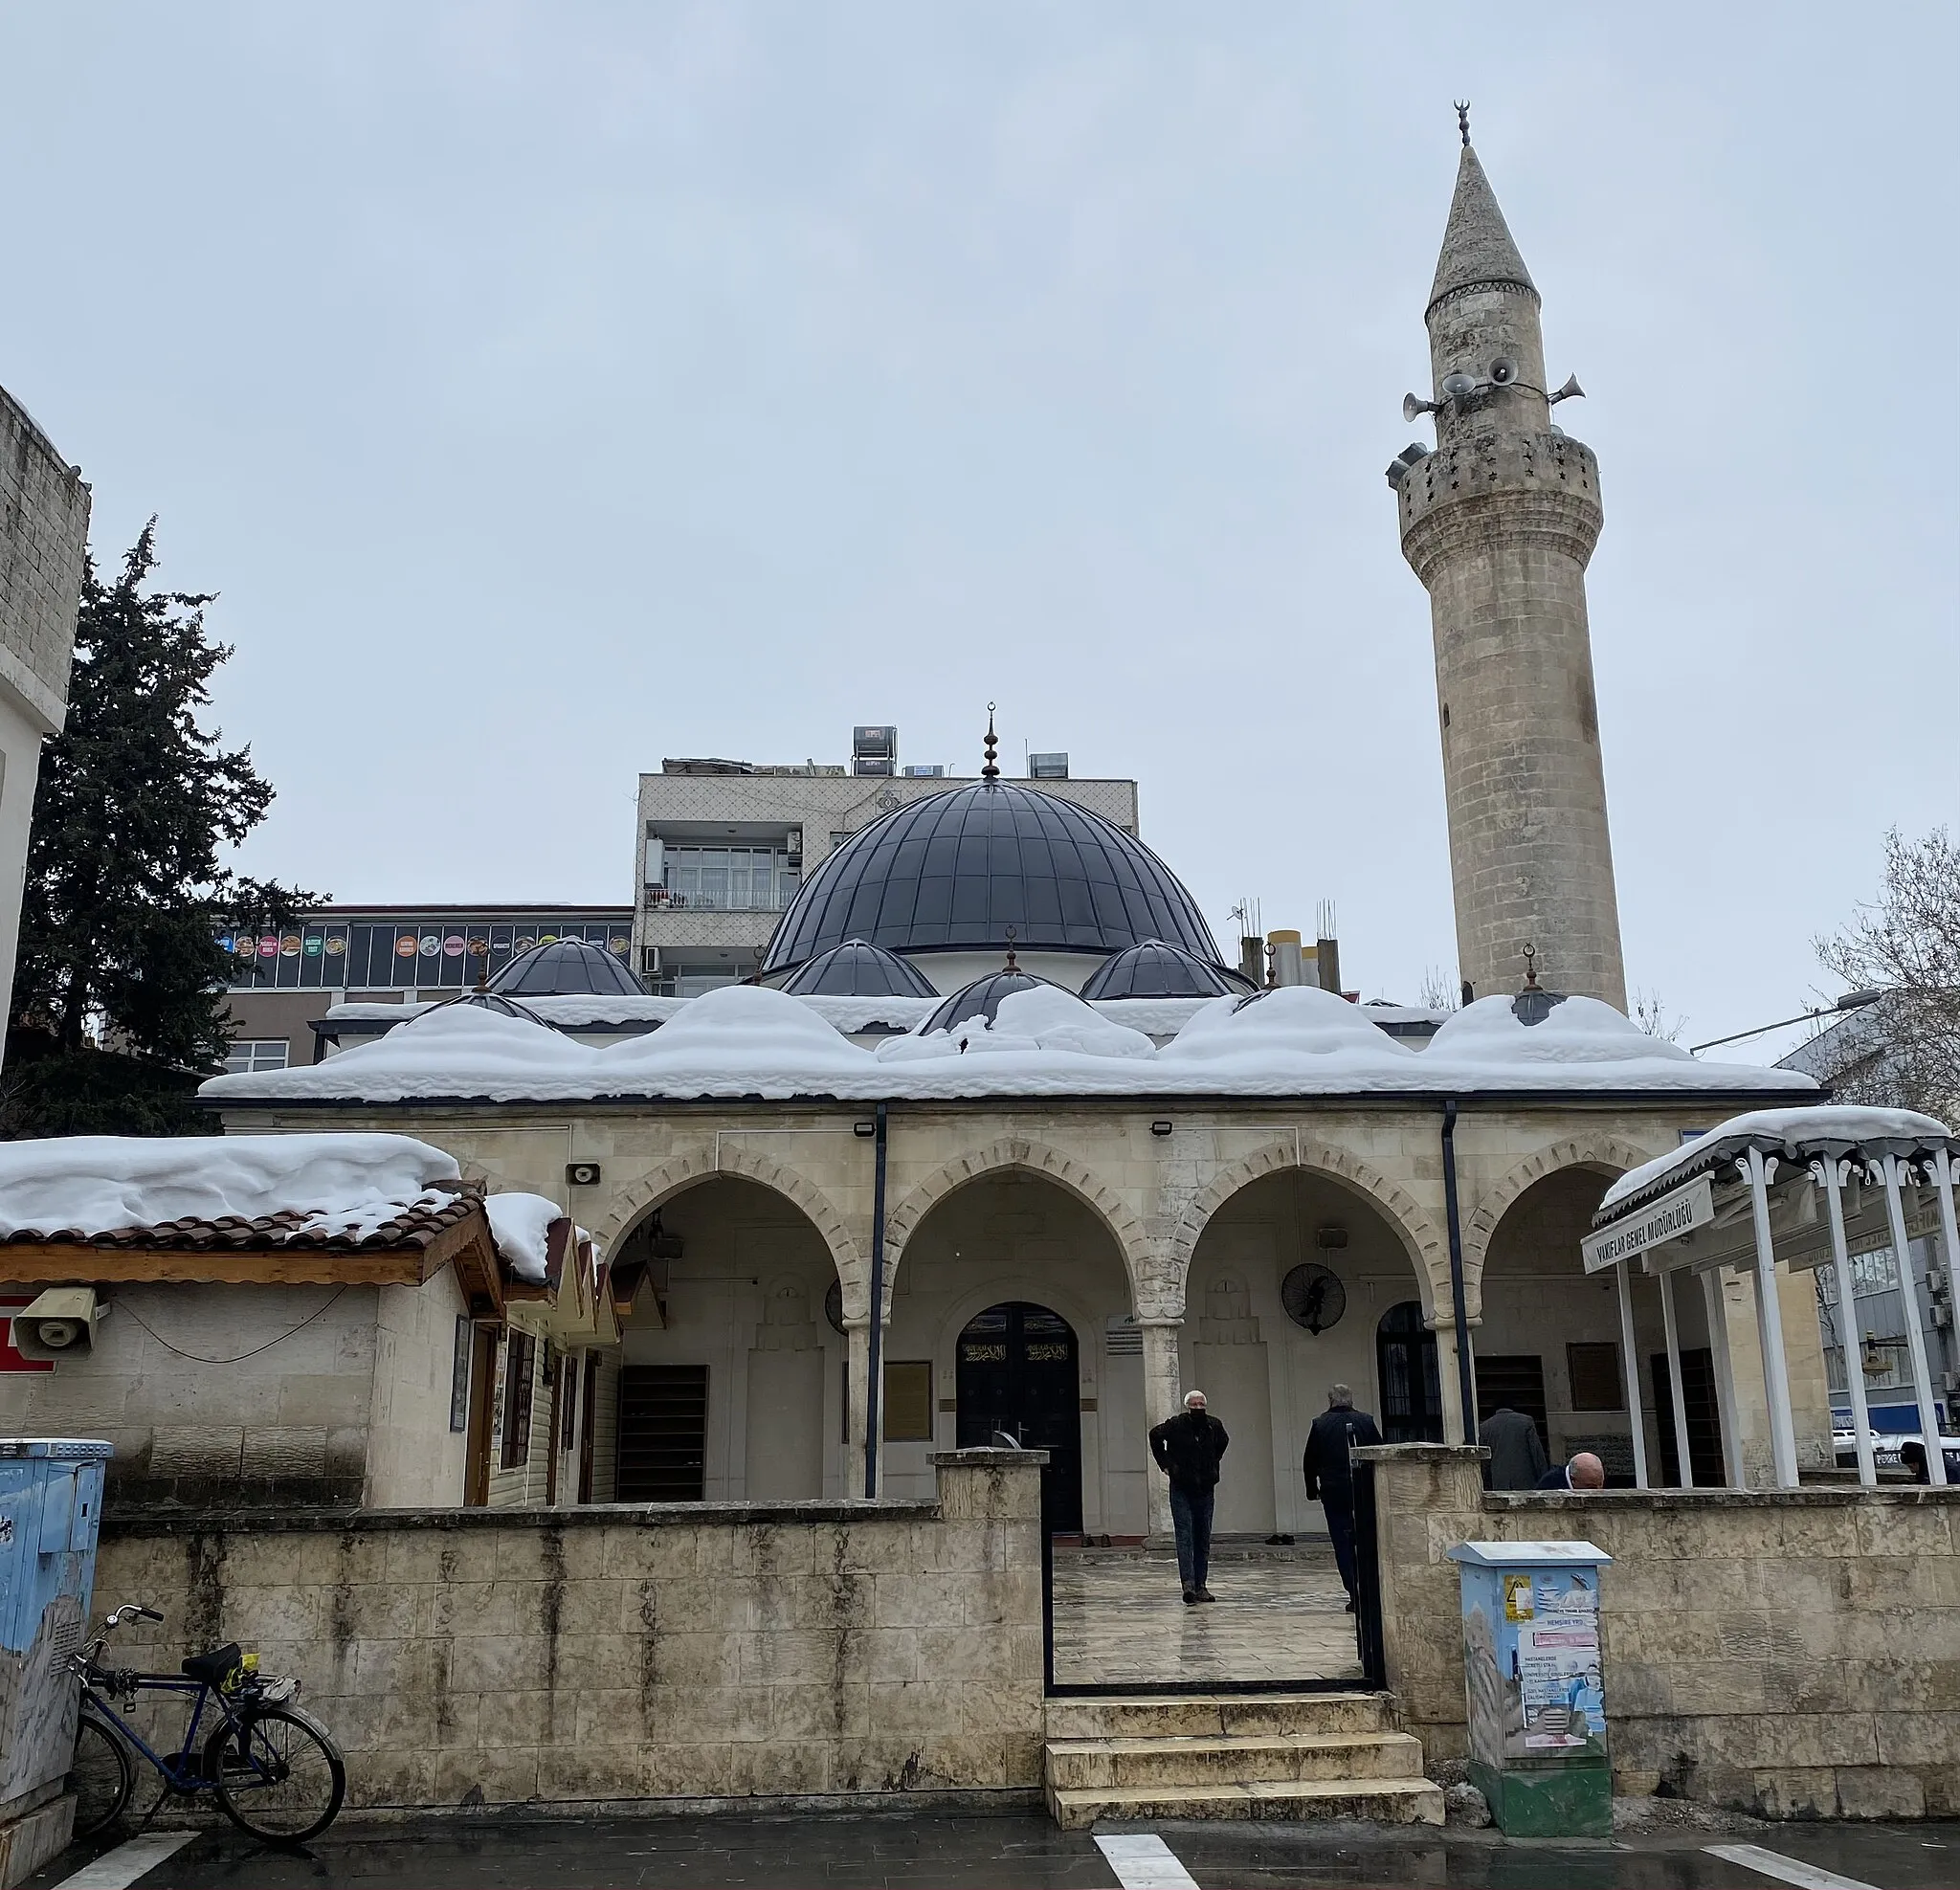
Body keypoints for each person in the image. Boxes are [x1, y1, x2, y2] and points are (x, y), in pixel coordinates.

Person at [1302, 1385, 1382, 1612]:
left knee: (1342, 1543)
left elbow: (1310, 1461)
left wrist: (1311, 1489)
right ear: (1351, 1399)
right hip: (1363, 1490)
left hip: (1333, 1491)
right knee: (1365, 1540)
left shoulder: (1320, 1424)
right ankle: (1368, 1590)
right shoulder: (1366, 1421)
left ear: (1330, 1400)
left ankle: (1353, 1591)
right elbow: (1380, 1452)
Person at [1149, 1390, 1229, 1605]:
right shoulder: (1176, 1425)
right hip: (1181, 1487)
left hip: (1205, 1488)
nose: (1197, 1408)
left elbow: (1222, 1443)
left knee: (1202, 1537)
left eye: (1200, 1404)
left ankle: (1201, 1585)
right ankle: (1188, 1584)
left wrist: (1211, 1463)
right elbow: (1155, 1435)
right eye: (1193, 1405)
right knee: (1184, 1536)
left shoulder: (1213, 1426)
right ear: (1187, 1406)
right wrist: (1166, 1465)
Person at [1482, 1406, 1550, 1491]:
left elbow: (1485, 1461)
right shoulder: (1526, 1422)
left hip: (1499, 1481)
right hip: (1525, 1480)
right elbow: (1536, 1453)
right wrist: (1544, 1478)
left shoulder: (1485, 1427)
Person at [1536, 1451, 1606, 1491]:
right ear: (1573, 1480)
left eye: (1601, 1485)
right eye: (1591, 1487)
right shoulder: (1549, 1485)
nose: (1598, 1491)